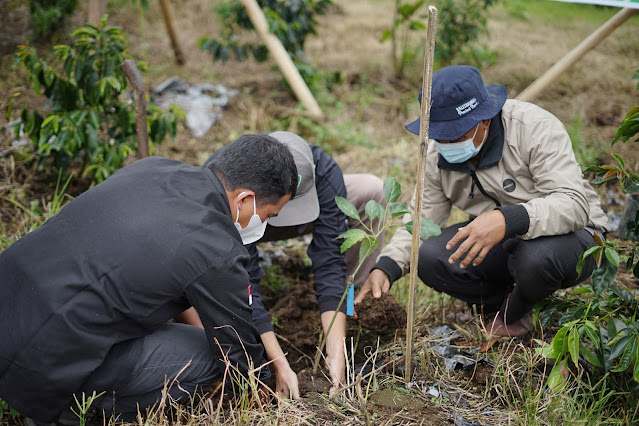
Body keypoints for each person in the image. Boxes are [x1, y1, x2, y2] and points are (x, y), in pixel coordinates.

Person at [0, 134, 298, 424]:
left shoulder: (153, 168)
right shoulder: (217, 248)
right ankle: (77, 411)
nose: (264, 225)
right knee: (210, 356)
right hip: (44, 369)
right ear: (245, 198)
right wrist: (259, 388)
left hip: (9, 312)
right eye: (269, 215)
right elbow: (238, 352)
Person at [354, 65, 610, 337]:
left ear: (484, 120)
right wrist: (386, 267)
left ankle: (516, 314)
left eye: (457, 135)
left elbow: (574, 204)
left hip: (574, 236)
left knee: (535, 259)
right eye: (440, 136)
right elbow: (421, 222)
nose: (447, 143)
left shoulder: (534, 128)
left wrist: (508, 218)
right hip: (503, 242)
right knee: (430, 257)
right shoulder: (435, 156)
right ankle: (498, 305)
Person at [176, 131, 385, 398]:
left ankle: (350, 305)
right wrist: (277, 361)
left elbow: (330, 260)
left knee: (371, 189)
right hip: (249, 213)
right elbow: (245, 278)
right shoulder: (229, 180)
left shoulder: (323, 170)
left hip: (280, 208)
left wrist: (337, 351)